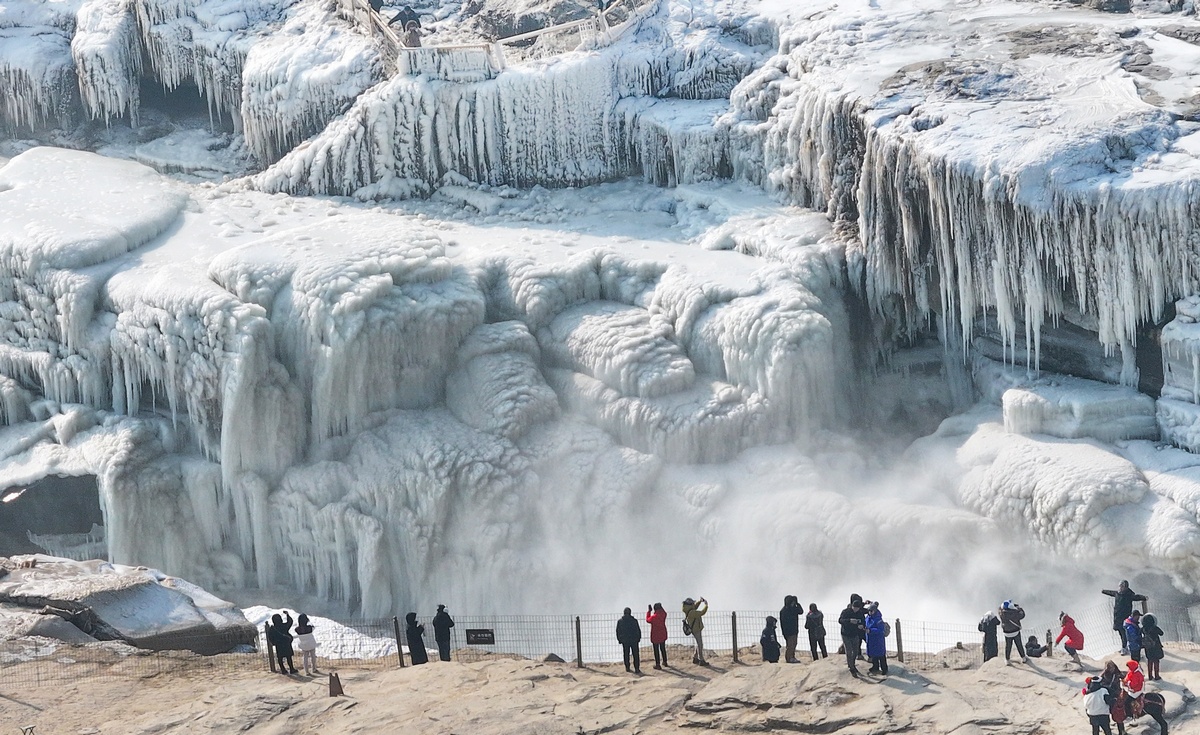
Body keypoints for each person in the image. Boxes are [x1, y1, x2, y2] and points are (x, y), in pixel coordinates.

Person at [1102, 581, 1147, 654]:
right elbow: (1111, 593)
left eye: (1122, 586)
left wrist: (1144, 597)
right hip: (1117, 618)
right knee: (1121, 632)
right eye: (1120, 586)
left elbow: (1136, 597)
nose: (1120, 588)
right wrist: (1104, 591)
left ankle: (1125, 647)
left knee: (1125, 633)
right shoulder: (1117, 594)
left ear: (1126, 587)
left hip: (1125, 618)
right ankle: (1125, 647)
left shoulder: (1129, 595)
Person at [838, 594, 866, 676]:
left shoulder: (860, 613)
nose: (856, 609)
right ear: (852, 606)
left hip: (855, 634)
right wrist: (849, 620)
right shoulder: (846, 612)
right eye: (855, 608)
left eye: (857, 608)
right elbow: (840, 620)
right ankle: (851, 667)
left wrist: (861, 626)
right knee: (849, 651)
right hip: (845, 634)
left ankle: (852, 664)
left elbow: (863, 622)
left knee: (856, 651)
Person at [682, 597, 709, 666]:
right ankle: (701, 660)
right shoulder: (692, 612)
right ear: (690, 604)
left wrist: (700, 601)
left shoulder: (688, 609)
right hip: (696, 629)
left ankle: (695, 657)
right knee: (700, 644)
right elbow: (702, 612)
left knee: (698, 643)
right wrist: (706, 605)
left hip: (695, 628)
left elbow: (695, 607)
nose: (693, 604)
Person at [864, 601, 888, 675]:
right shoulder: (868, 617)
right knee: (873, 654)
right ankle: (875, 667)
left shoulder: (878, 620)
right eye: (869, 611)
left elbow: (880, 630)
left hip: (878, 640)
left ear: (875, 611)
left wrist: (870, 630)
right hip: (870, 639)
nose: (869, 612)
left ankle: (884, 669)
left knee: (881, 655)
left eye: (871, 611)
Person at [616, 607, 642, 674]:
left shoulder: (620, 621)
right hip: (634, 640)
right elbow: (638, 630)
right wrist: (638, 638)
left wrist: (619, 639)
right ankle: (637, 668)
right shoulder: (634, 621)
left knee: (626, 654)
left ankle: (627, 667)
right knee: (635, 654)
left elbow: (618, 631)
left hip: (625, 640)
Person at [1141, 612, 1164, 681]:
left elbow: (1140, 632)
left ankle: (1150, 676)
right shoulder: (1155, 628)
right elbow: (1162, 633)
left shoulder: (1143, 629)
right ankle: (1157, 676)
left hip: (1148, 648)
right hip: (1156, 647)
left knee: (1150, 661)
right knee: (1156, 661)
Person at [779, 595, 802, 663]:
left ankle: (792, 656)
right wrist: (797, 604)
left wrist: (797, 604)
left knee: (793, 644)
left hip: (792, 630)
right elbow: (800, 611)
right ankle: (789, 658)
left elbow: (801, 611)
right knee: (791, 645)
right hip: (789, 631)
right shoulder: (786, 610)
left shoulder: (787, 609)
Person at [646, 602, 668, 670]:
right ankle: (665, 661)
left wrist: (649, 611)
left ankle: (658, 664)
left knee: (656, 650)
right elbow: (664, 612)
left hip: (655, 635)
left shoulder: (653, 617)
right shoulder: (663, 614)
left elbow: (647, 620)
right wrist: (661, 607)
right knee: (663, 648)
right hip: (662, 634)